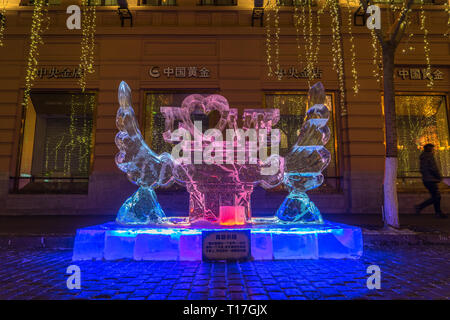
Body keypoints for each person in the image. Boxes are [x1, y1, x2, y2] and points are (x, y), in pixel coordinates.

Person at [415, 144, 447, 218]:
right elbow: (433, 168)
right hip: (430, 180)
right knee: (437, 197)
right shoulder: (429, 156)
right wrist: (438, 176)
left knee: (436, 196)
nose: (434, 150)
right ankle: (420, 206)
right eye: (432, 149)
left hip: (427, 179)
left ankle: (438, 213)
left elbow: (424, 169)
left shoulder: (423, 157)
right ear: (429, 149)